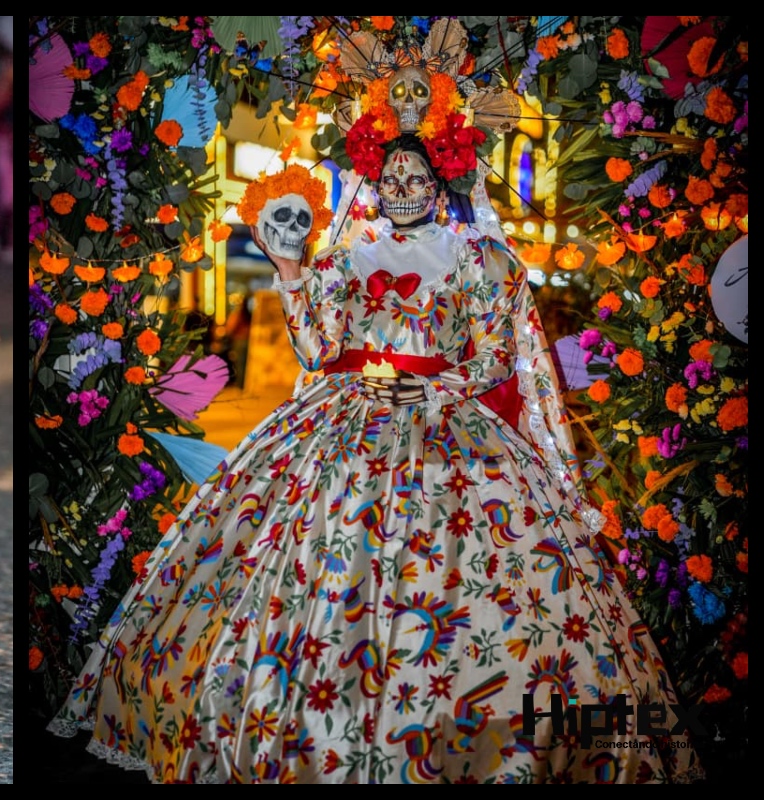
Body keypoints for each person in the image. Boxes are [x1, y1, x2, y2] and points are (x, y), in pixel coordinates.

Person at [47, 134, 701, 783]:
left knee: (469, 579)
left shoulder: (476, 257)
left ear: (439, 185)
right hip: (346, 417)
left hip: (448, 430)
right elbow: (314, 350)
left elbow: (497, 357)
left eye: (415, 178)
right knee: (314, 565)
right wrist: (289, 271)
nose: (402, 190)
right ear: (376, 183)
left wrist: (441, 387)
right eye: (391, 179)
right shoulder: (346, 258)